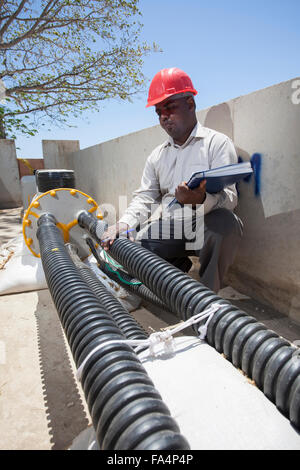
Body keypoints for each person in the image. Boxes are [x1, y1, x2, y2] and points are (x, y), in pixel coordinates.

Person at [101, 67, 243, 293]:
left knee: (226, 224)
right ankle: (175, 272)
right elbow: (145, 196)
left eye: (170, 107)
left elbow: (231, 198)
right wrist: (124, 223)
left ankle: (207, 301)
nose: (164, 116)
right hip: (171, 226)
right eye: (158, 112)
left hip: (204, 222)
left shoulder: (216, 143)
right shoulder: (158, 155)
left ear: (190, 103)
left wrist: (199, 200)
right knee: (136, 247)